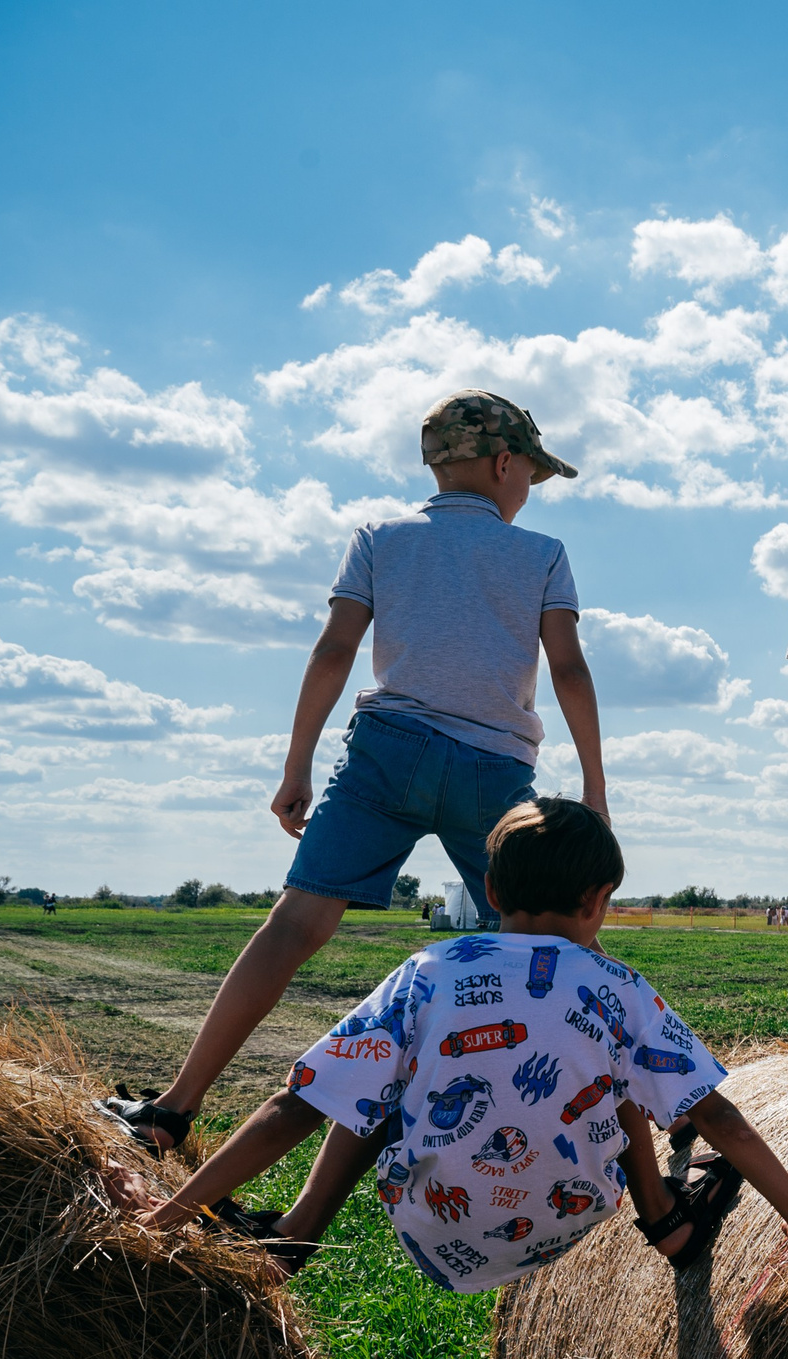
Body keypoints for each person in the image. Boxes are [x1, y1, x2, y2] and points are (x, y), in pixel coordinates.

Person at [97, 391, 608, 1159]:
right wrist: (594, 790)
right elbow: (568, 668)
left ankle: (173, 1107)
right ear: (505, 463)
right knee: (555, 940)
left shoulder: (379, 538)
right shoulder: (542, 554)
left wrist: (297, 762)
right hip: (493, 771)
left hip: (386, 752)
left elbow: (334, 650)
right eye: (531, 475)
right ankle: (652, 1110)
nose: (528, 489)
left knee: (293, 925)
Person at [129, 798, 788, 1287]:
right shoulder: (620, 986)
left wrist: (164, 1219)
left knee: (372, 1073)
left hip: (432, 1219)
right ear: (599, 900)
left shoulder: (431, 971)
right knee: (612, 1063)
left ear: (491, 890)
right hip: (564, 1214)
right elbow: (719, 1118)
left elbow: (296, 1106)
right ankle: (667, 1222)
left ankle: (295, 1235)